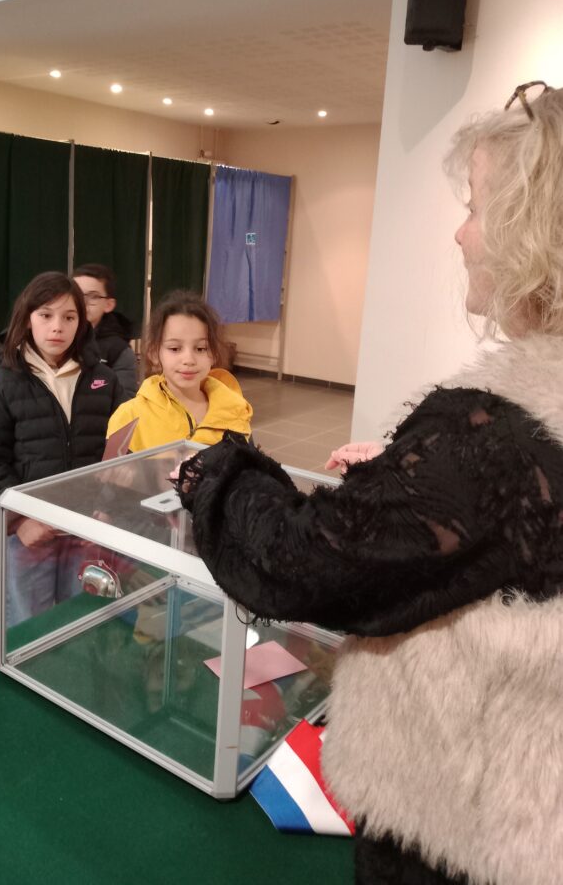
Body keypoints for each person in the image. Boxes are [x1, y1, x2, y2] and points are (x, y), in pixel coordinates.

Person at [174, 82, 563, 885]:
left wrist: (218, 469)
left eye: (476, 208)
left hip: (471, 827)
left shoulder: (494, 440)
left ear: (534, 231)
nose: (460, 234)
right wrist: (402, 484)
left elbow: (298, 562)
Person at [0, 271, 122, 624]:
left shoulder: (104, 381)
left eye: (69, 317)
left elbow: (119, 453)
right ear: (27, 319)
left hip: (86, 527)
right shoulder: (2, 387)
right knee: (26, 621)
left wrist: (108, 507)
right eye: (46, 315)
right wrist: (19, 521)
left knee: (81, 617)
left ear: (81, 323)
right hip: (30, 534)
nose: (57, 327)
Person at [106, 289, 252, 452]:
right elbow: (111, 467)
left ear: (213, 354)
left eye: (201, 348)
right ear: (154, 353)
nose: (188, 359)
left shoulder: (235, 410)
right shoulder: (128, 417)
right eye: (175, 348)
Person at [72, 263, 138, 399]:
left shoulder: (119, 350)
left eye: (93, 296)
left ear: (108, 305)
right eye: (76, 294)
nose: (83, 302)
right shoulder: (54, 337)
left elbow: (125, 402)